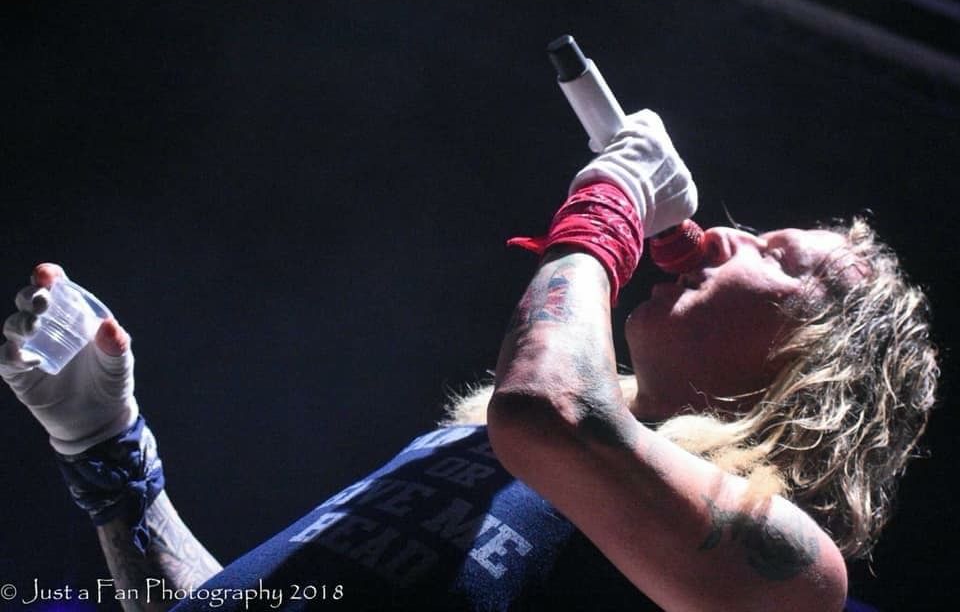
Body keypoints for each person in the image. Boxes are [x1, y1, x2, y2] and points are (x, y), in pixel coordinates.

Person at [1, 110, 937, 612]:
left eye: (779, 255)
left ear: (825, 366)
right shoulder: (479, 441)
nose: (729, 235)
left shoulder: (788, 571)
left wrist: (608, 203)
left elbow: (552, 410)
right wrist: (110, 458)